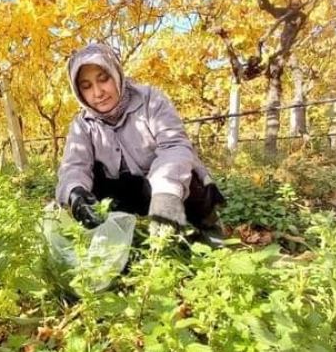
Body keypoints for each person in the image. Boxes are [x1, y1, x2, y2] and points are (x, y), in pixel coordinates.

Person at [55, 42, 225, 234]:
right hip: (130, 193)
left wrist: (166, 194)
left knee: (184, 171)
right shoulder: (82, 125)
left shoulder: (151, 100)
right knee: (92, 182)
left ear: (116, 74)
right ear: (79, 93)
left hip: (167, 186)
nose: (98, 92)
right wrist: (75, 192)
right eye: (86, 86)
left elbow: (174, 147)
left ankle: (206, 229)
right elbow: (74, 166)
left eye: (103, 79)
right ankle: (126, 236)